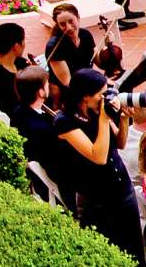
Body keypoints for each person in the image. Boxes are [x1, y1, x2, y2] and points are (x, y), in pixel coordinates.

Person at [51, 68, 139, 256]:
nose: (105, 98)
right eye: (101, 94)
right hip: (98, 200)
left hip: (123, 191)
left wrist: (123, 119)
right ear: (85, 96)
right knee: (111, 253)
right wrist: (104, 118)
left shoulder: (97, 111)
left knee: (134, 250)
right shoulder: (64, 121)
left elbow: (120, 143)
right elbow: (98, 156)